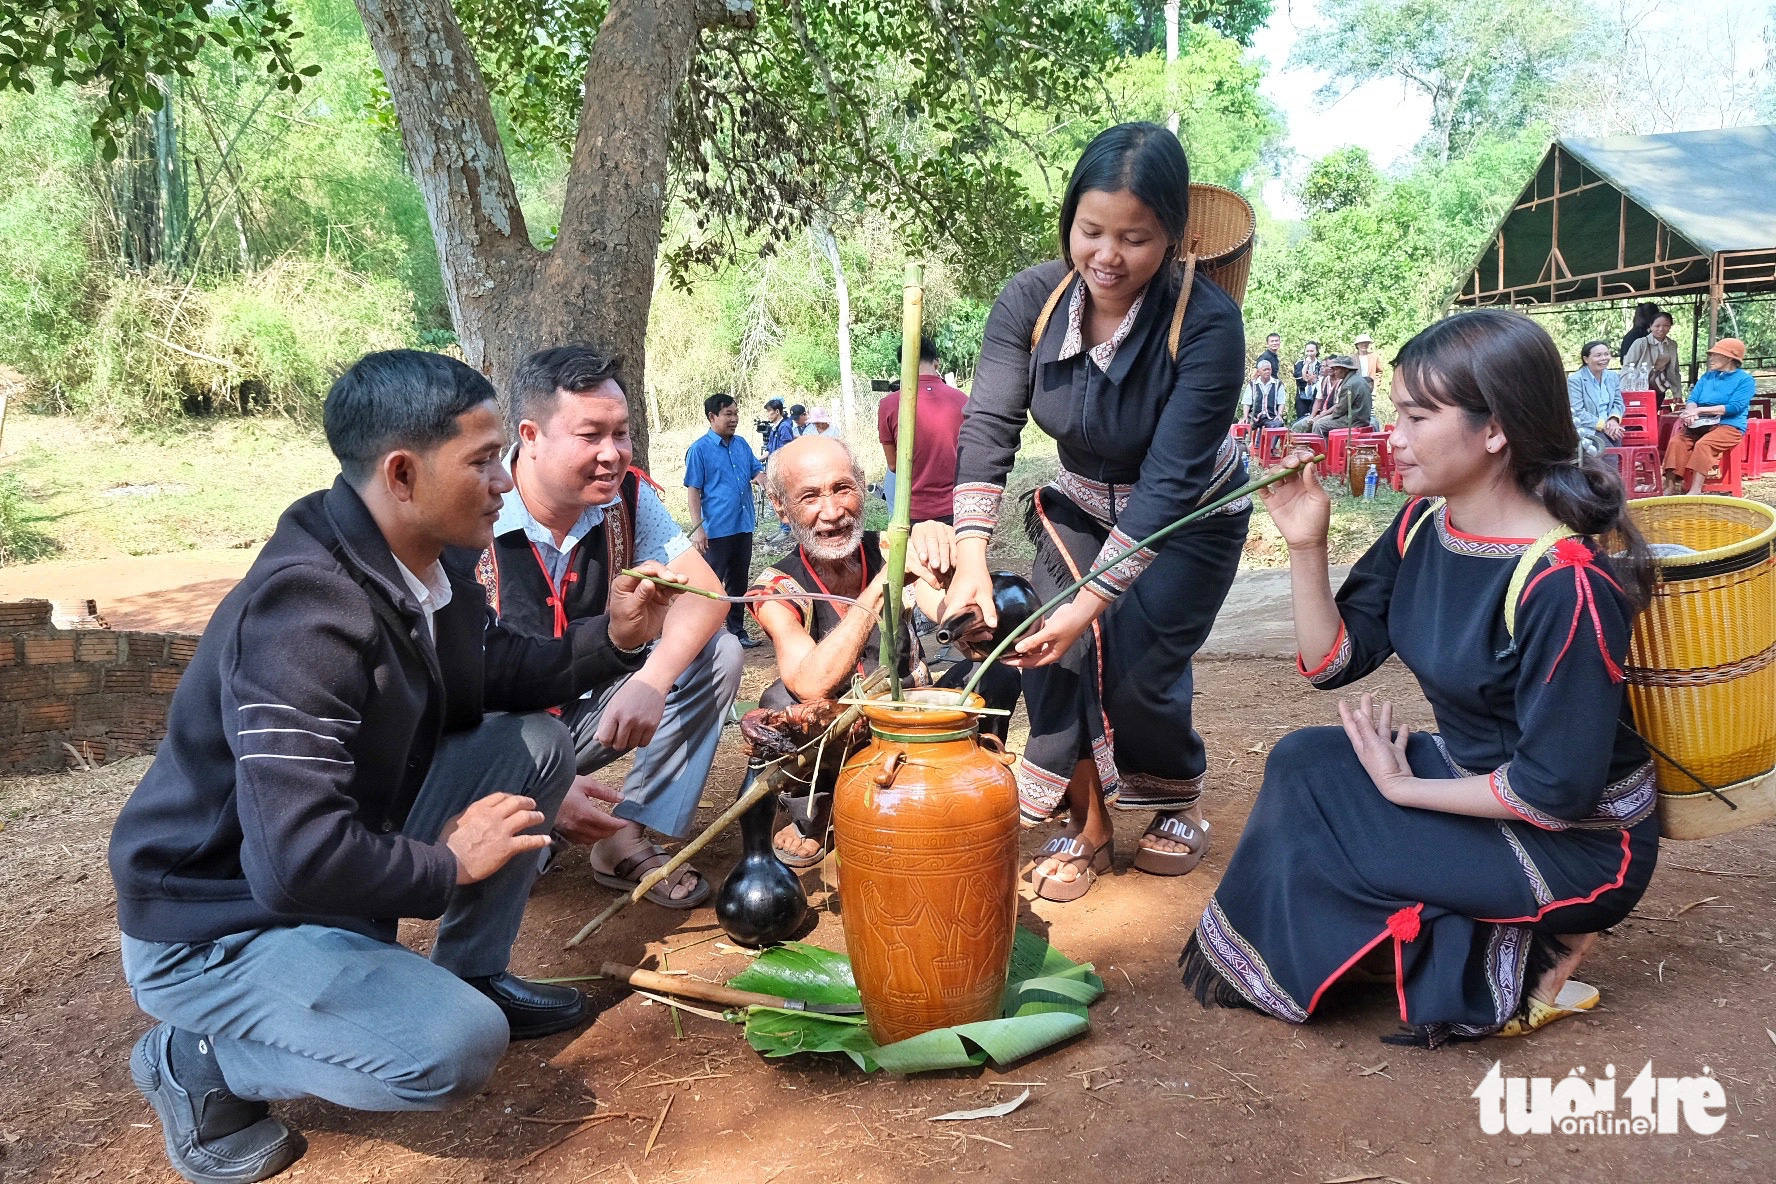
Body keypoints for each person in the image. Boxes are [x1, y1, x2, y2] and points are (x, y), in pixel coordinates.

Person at [109, 350, 685, 1183]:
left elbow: (488, 670)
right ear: (404, 474)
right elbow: (293, 859)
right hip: (216, 921)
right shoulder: (303, 614)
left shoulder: (428, 560)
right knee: (448, 1049)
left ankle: (473, 972)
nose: (503, 480)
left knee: (533, 745)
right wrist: (448, 864)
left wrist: (617, 639)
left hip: (314, 855)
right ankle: (194, 1056)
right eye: (485, 461)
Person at [1181, 310, 1658, 1047]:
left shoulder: (1564, 583)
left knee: (1356, 822)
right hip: (1478, 784)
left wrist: (1405, 788)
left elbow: (1552, 794)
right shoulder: (1424, 525)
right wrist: (1306, 545)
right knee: (1305, 765)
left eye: (1415, 415)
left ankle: (1541, 946)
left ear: (1494, 428)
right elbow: (1332, 662)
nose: (1392, 435)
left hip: (1577, 842)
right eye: (1396, 411)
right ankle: (1402, 935)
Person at [948, 122, 1251, 903]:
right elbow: (988, 425)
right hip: (1079, 502)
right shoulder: (1030, 301)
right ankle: (1086, 825)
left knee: (1144, 666)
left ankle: (1175, 797)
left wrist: (1091, 603)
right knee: (1052, 660)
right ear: (1068, 223)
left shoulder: (1209, 325)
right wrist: (972, 551)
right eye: (1090, 231)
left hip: (1189, 516)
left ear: (1174, 239)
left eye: (1135, 238)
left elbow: (1168, 482)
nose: (1107, 256)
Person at [483, 345, 745, 908]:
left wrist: (652, 681)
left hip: (587, 710)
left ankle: (623, 828)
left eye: (621, 433)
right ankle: (532, 814)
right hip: (496, 734)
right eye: (590, 436)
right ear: (529, 435)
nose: (613, 454)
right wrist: (536, 784)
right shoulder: (474, 505)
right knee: (496, 870)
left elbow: (707, 597)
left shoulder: (629, 499)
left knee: (717, 654)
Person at [748, 436, 1022, 865]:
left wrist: (954, 578)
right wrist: (884, 583)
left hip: (914, 724)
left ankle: (966, 787)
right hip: (842, 737)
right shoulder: (775, 587)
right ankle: (817, 813)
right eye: (810, 497)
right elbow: (809, 682)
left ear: (862, 485)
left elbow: (946, 613)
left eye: (842, 488)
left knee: (997, 674)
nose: (833, 512)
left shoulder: (892, 547)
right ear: (781, 507)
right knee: (781, 703)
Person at [685, 392, 766, 649]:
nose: (734, 419)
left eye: (736, 413)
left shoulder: (741, 444)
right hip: (716, 529)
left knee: (738, 582)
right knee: (710, 583)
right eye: (728, 414)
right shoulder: (699, 450)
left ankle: (737, 632)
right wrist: (698, 529)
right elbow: (693, 490)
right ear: (712, 417)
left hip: (743, 525)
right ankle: (701, 636)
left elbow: (756, 471)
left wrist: (766, 482)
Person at [879, 334, 969, 524]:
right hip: (956, 507)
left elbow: (894, 465)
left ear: (903, 365)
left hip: (911, 511)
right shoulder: (962, 400)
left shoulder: (889, 404)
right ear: (936, 363)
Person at [1664, 337, 1754, 494]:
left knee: (1703, 444)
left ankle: (1695, 489)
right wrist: (1691, 411)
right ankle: (1670, 487)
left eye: (1715, 355)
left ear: (1730, 358)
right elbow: (1693, 399)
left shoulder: (1745, 380)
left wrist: (1699, 411)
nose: (1710, 359)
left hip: (1729, 425)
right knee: (1676, 442)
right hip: (1701, 423)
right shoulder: (1707, 377)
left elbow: (1734, 407)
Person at [1566, 340, 1625, 454]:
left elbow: (1618, 402)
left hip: (1610, 427)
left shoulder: (1612, 376)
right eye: (1598, 355)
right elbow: (1577, 411)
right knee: (1610, 454)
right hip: (1588, 429)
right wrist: (1603, 426)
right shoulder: (1575, 380)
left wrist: (1613, 420)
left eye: (1606, 354)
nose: (1604, 358)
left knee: (1619, 452)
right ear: (1586, 359)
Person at [1292, 354, 1372, 434]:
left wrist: (1320, 418)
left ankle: (1321, 446)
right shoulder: (1357, 380)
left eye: (1337, 369)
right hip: (1359, 418)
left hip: (1354, 421)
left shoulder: (1349, 384)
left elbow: (1340, 410)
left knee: (1319, 425)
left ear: (1345, 369)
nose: (1335, 371)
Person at [1621, 310, 1682, 400]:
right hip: (1639, 387)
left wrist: (1677, 393)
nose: (1661, 329)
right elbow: (1627, 366)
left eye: (1666, 326)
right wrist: (1624, 391)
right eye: (1657, 326)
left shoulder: (1672, 345)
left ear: (1670, 327)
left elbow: (1674, 370)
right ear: (1651, 326)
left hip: (1659, 386)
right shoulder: (1640, 343)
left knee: (1655, 411)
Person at [1244, 358, 1287, 428]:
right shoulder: (1252, 384)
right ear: (1258, 372)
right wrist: (1245, 416)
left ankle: (1269, 439)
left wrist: (1279, 414)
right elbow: (1246, 403)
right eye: (1264, 370)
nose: (1267, 371)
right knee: (1243, 426)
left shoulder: (1278, 384)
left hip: (1271, 417)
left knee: (1277, 425)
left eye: (1269, 369)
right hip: (1254, 418)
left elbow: (1281, 402)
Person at [1293, 341, 1322, 420]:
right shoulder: (1299, 363)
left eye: (1312, 351)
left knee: (1315, 418)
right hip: (1302, 395)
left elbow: (1321, 380)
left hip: (1316, 396)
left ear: (1316, 351)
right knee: (1301, 418)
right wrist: (1306, 365)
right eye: (1307, 351)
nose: (1309, 353)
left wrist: (1315, 379)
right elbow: (1299, 378)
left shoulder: (1320, 365)